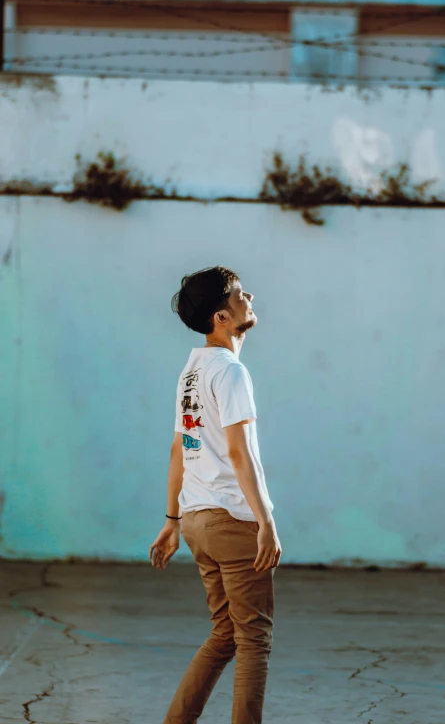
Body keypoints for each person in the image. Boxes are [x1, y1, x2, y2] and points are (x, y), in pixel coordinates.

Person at [149, 266, 282, 724]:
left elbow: (177, 451)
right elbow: (239, 453)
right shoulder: (230, 372)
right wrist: (265, 520)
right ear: (222, 316)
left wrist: (171, 522)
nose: (251, 298)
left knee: (225, 633)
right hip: (232, 521)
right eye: (242, 295)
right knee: (253, 640)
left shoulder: (191, 372)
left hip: (196, 522)